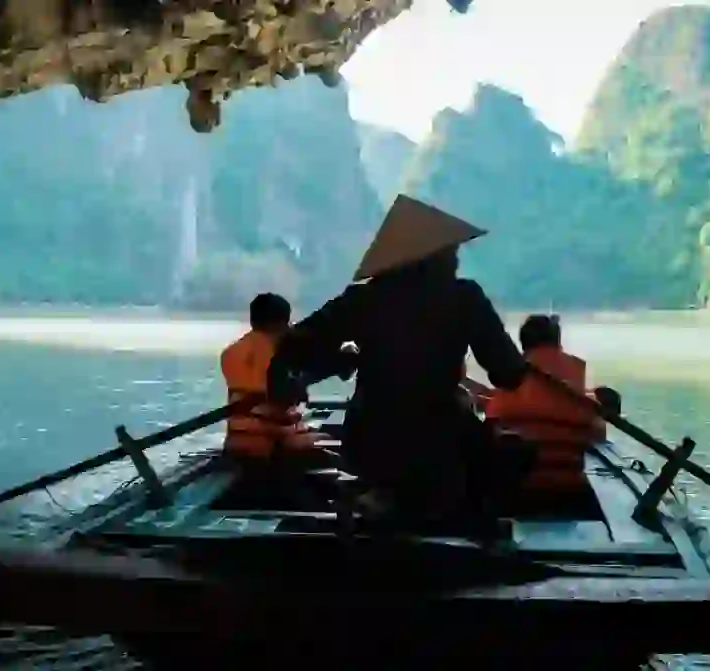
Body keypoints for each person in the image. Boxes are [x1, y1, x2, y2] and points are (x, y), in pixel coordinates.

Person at [265, 195, 528, 523]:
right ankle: (479, 525)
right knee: (516, 450)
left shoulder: (363, 299)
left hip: (369, 442)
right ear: (435, 256)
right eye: (451, 251)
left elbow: (294, 348)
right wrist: (519, 366)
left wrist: (330, 362)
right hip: (440, 439)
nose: (456, 259)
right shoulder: (465, 298)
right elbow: (507, 376)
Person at [483, 314, 621, 493]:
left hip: (517, 490)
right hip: (569, 487)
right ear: (558, 344)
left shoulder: (507, 387)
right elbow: (599, 433)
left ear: (524, 346)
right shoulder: (585, 403)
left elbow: (490, 423)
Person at [219, 293, 325, 465]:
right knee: (330, 441)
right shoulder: (281, 355)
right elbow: (293, 397)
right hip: (274, 440)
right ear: (280, 324)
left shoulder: (230, 352)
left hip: (236, 439)